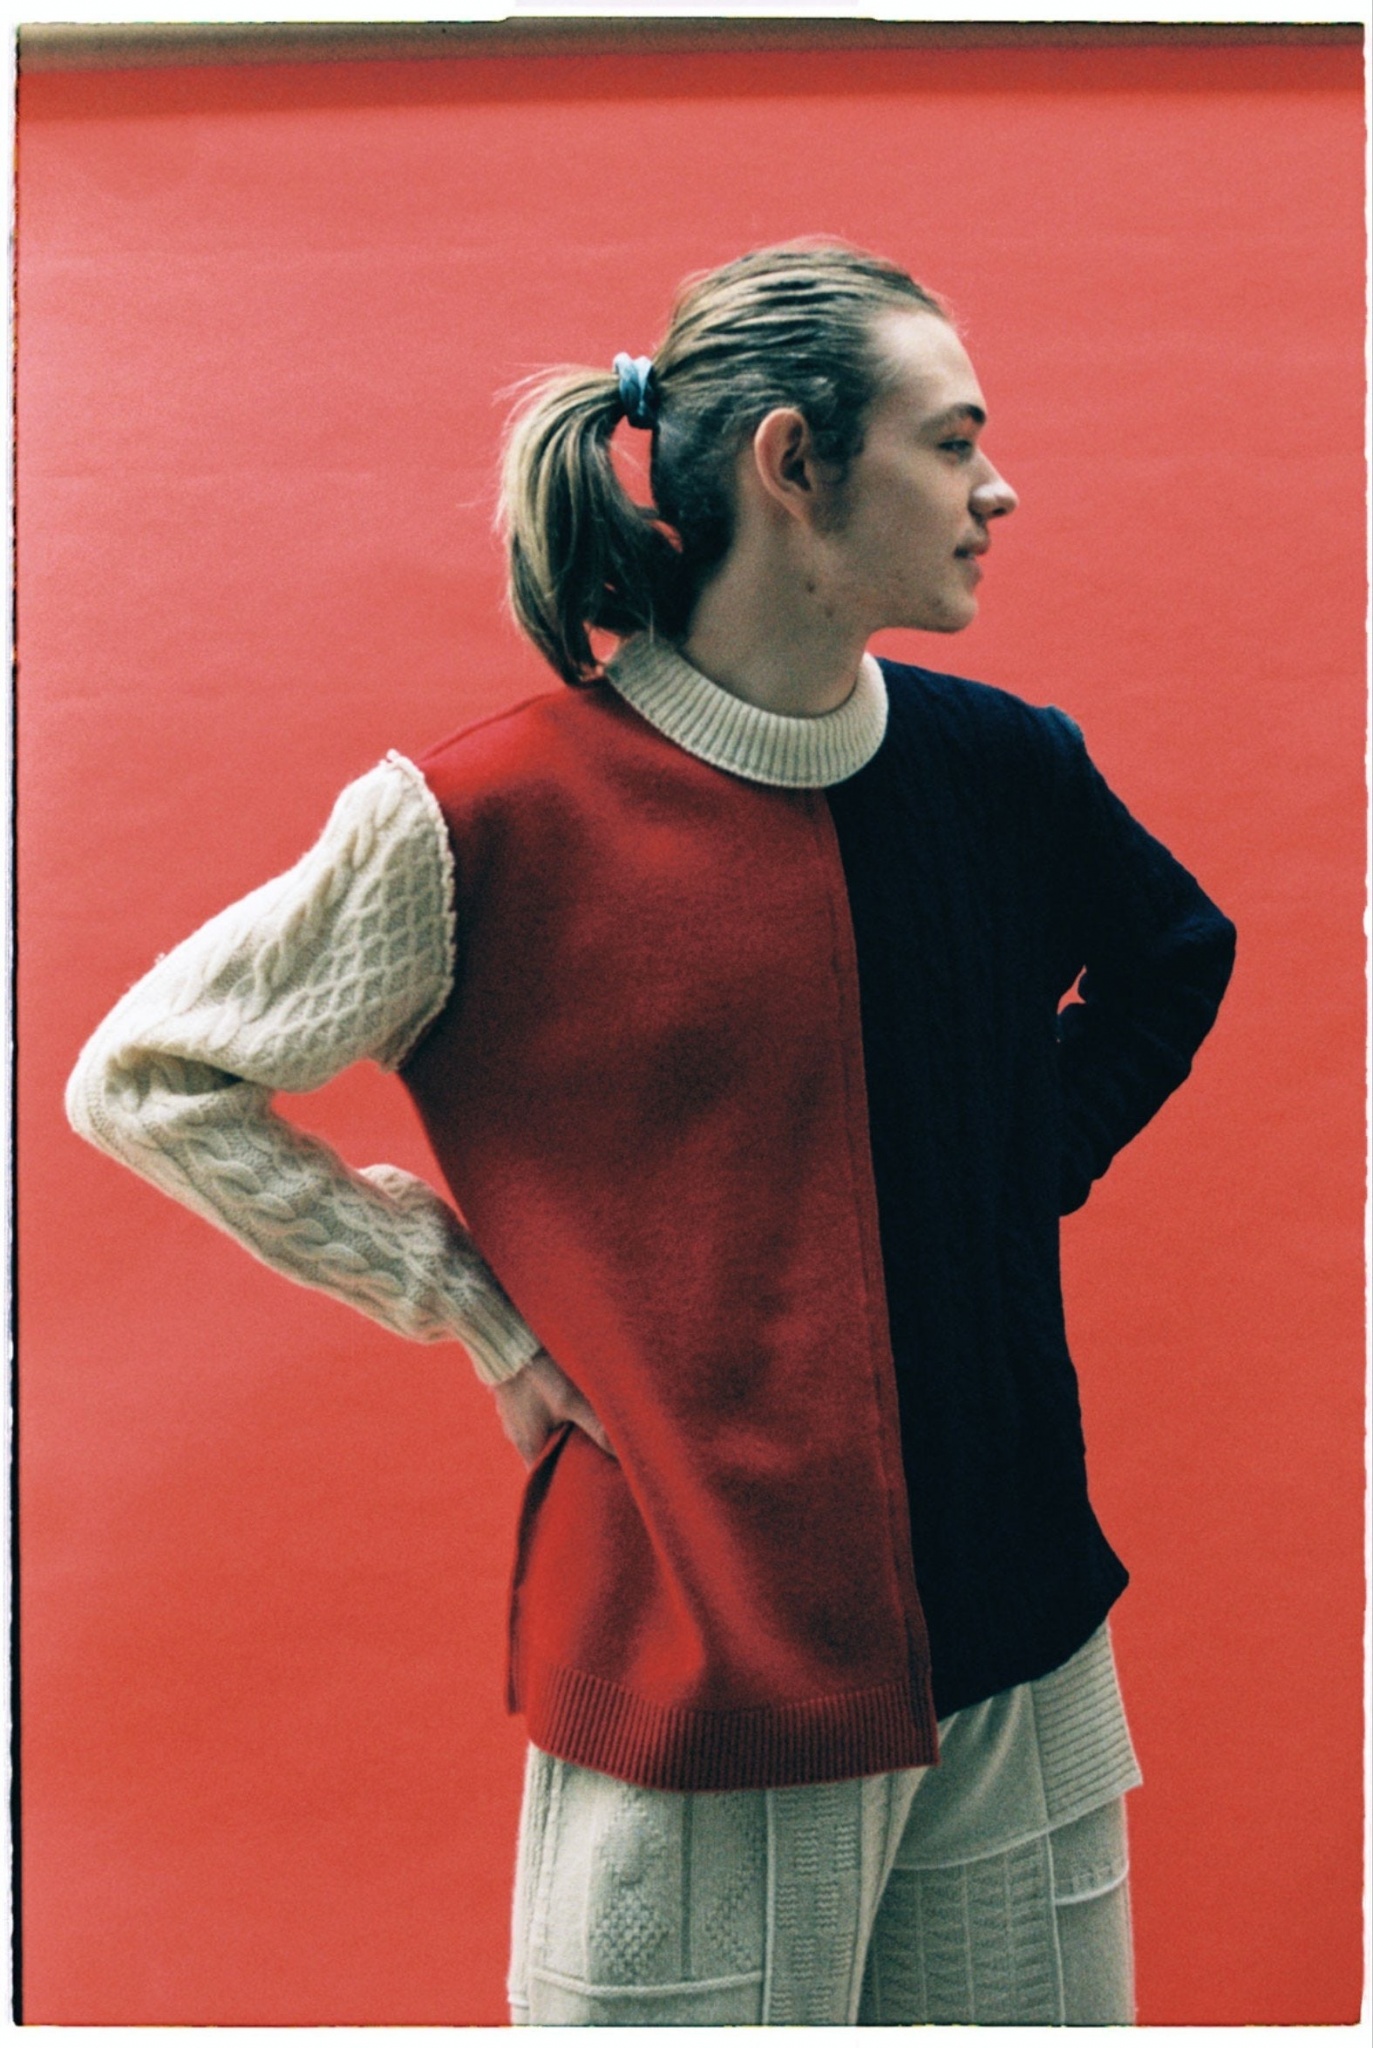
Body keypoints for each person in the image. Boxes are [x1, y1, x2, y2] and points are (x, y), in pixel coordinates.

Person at [65, 241, 1236, 2026]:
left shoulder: (1007, 770)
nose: (995, 488)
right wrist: (471, 1306)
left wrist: (1004, 1183)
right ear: (793, 464)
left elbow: (1172, 959)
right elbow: (149, 1077)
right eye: (949, 441)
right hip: (710, 1674)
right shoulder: (486, 821)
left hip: (1023, 1654)